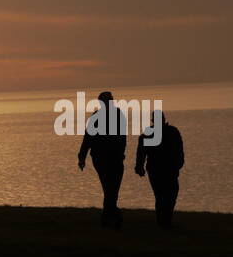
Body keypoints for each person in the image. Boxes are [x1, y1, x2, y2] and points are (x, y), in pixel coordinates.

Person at [77, 91, 127, 227]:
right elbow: (87, 139)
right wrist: (82, 157)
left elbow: (122, 139)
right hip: (103, 159)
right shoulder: (105, 116)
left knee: (111, 189)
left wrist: (82, 157)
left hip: (113, 158)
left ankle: (109, 217)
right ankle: (112, 218)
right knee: (110, 188)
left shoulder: (117, 116)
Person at [134, 108, 184, 227]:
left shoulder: (171, 132)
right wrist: (139, 167)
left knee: (166, 195)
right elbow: (141, 154)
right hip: (161, 169)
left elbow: (179, 151)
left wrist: (139, 167)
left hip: (163, 169)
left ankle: (164, 221)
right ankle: (164, 221)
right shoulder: (172, 132)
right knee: (165, 195)